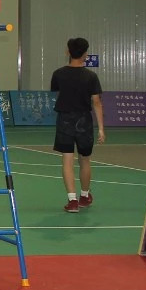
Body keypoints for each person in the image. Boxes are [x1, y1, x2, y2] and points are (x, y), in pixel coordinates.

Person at [51, 37, 106, 212]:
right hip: (84, 121)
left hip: (65, 120)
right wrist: (101, 129)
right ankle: (84, 196)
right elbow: (96, 102)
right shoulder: (91, 76)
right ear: (85, 54)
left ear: (68, 52)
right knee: (85, 160)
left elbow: (57, 93)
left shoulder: (58, 74)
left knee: (67, 160)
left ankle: (72, 201)